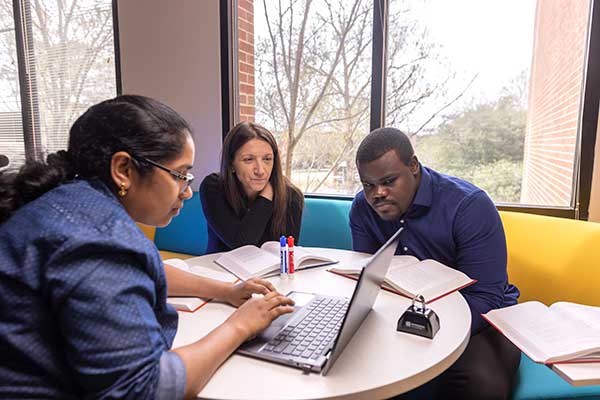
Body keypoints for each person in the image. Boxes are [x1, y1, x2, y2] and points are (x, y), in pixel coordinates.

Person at [0, 95, 294, 400]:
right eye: (180, 174)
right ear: (124, 169)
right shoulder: (96, 238)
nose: (187, 191)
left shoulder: (74, 208)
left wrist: (226, 291)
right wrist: (240, 326)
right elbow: (145, 388)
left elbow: (142, 269)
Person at [349, 127, 521, 399]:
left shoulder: (469, 206)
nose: (377, 193)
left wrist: (426, 332)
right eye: (368, 185)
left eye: (389, 181)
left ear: (414, 166)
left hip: (481, 319)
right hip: (402, 313)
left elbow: (487, 296)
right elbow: (371, 283)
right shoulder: (362, 208)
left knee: (483, 386)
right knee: (352, 363)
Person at [200, 121, 304, 253]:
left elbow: (286, 253)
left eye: (267, 159)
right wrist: (266, 197)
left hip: (270, 273)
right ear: (231, 163)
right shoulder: (213, 187)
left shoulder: (292, 195)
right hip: (218, 270)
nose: (260, 170)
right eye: (248, 159)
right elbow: (241, 245)